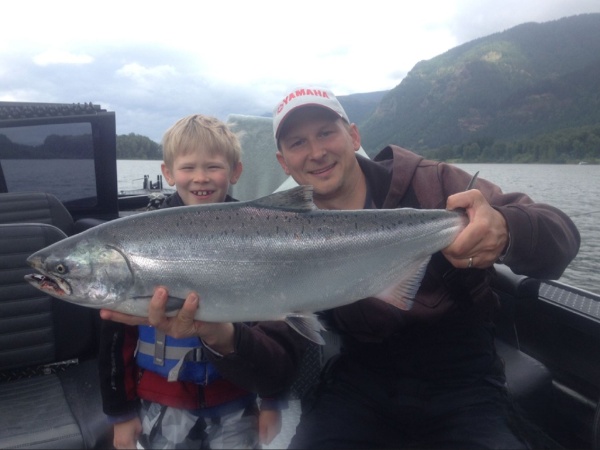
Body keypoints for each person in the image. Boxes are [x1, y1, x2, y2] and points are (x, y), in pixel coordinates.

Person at [102, 87, 580, 449]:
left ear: (353, 135)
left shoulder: (435, 185)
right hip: (360, 376)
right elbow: (277, 368)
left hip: (465, 376)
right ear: (282, 161)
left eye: (326, 132)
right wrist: (221, 335)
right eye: (297, 142)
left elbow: (560, 238)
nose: (316, 151)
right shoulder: (272, 235)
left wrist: (507, 229)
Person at [98, 114, 287, 450]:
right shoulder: (139, 242)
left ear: (235, 172)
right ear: (168, 173)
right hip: (162, 401)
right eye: (188, 168)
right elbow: (115, 342)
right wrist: (120, 413)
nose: (201, 177)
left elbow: (270, 328)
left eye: (213, 166)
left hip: (236, 400)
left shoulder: (258, 235)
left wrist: (272, 400)